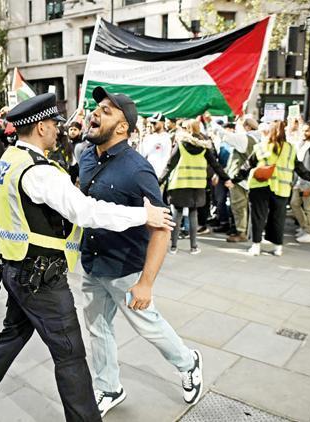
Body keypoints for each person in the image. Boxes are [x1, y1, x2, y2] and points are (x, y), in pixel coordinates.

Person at [0, 93, 175, 422]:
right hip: (41, 279)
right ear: (40, 128)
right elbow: (86, 211)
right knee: (71, 357)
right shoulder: (40, 172)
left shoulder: (10, 158)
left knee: (11, 337)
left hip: (15, 269)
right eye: (53, 125)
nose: (58, 131)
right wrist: (142, 215)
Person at [80, 87, 203, 417]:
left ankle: (189, 362)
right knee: (97, 329)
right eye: (97, 107)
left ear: (122, 127)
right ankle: (109, 387)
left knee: (149, 326)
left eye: (106, 111)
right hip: (92, 263)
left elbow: (162, 228)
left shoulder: (138, 170)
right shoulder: (86, 156)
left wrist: (146, 283)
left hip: (126, 269)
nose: (95, 113)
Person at [234, 120, 310, 256]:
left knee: (258, 216)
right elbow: (299, 168)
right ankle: (278, 248)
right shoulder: (290, 149)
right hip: (282, 188)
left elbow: (247, 165)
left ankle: (256, 246)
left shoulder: (261, 146)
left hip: (260, 186)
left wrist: (234, 180)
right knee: (278, 217)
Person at [160, 119, 230, 254]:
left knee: (176, 215)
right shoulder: (204, 147)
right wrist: (226, 179)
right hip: (197, 186)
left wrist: (158, 182)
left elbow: (170, 165)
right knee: (193, 215)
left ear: (186, 129)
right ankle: (193, 247)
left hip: (179, 185)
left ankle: (174, 247)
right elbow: (215, 165)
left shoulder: (181, 145)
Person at [222, 117, 259, 242]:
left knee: (239, 206)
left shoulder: (244, 139)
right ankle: (246, 231)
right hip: (250, 178)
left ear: (247, 127)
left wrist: (209, 121)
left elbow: (225, 136)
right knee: (246, 207)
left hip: (239, 179)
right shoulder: (258, 138)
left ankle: (241, 232)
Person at [139, 112, 173, 178]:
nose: (152, 125)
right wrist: (141, 139)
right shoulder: (148, 138)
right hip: (148, 173)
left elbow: (167, 157)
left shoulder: (167, 138)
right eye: (151, 123)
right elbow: (142, 155)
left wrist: (162, 176)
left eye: (154, 123)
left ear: (162, 123)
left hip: (160, 175)